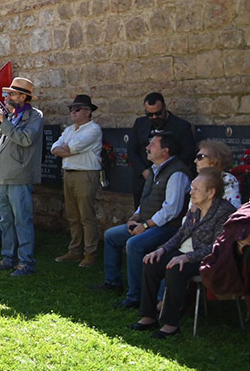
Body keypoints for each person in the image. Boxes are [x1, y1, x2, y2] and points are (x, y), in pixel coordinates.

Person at [131, 168, 235, 338]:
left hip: (209, 259)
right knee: (151, 262)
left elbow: (218, 246)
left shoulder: (225, 212)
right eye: (191, 188)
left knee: (175, 268)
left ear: (211, 192)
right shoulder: (196, 208)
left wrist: (187, 257)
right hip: (186, 253)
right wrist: (162, 249)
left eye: (196, 189)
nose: (190, 192)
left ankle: (171, 325)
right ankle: (148, 316)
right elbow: (181, 233)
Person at [96, 132, 191, 308]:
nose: (147, 147)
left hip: (168, 228)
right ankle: (113, 282)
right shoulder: (156, 169)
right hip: (147, 223)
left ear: (165, 151)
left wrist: (145, 225)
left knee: (134, 244)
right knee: (111, 236)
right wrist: (136, 215)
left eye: (152, 145)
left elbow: (171, 210)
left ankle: (136, 296)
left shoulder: (177, 174)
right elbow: (147, 198)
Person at [0, 77, 44, 276]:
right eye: (7, 94)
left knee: (22, 220)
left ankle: (26, 262)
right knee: (6, 220)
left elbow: (26, 139)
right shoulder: (11, 116)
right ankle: (8, 258)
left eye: (11, 94)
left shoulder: (34, 116)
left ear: (24, 97)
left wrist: (3, 121)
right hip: (2, 176)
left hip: (19, 176)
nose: (7, 97)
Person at [51, 94, 103, 267]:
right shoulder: (70, 130)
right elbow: (54, 148)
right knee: (73, 215)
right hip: (69, 173)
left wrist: (67, 150)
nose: (73, 112)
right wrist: (67, 150)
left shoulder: (93, 129)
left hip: (85, 174)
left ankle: (90, 253)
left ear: (88, 112)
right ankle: (75, 250)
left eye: (77, 109)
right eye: (71, 109)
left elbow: (69, 147)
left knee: (86, 216)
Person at [127, 93, 195, 209]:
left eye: (158, 113)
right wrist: (144, 172)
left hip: (168, 181)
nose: (154, 117)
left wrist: (166, 172)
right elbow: (132, 150)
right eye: (149, 114)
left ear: (165, 107)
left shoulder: (181, 126)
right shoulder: (140, 124)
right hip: (143, 179)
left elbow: (188, 154)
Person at [194, 139, 242, 208]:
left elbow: (233, 208)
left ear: (214, 160)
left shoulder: (227, 179)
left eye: (200, 157)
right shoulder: (197, 180)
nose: (195, 161)